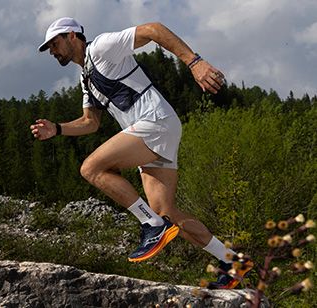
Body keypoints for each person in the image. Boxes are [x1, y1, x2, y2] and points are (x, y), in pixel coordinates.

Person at [31, 17, 253, 289]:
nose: (52, 51)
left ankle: (151, 224)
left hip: (154, 123)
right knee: (167, 212)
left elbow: (154, 30)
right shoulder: (86, 77)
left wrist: (194, 63)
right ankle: (231, 260)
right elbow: (91, 122)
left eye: (54, 43)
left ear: (72, 36)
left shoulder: (101, 47)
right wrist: (57, 129)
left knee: (91, 169)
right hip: (155, 131)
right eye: (49, 48)